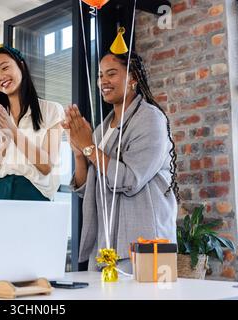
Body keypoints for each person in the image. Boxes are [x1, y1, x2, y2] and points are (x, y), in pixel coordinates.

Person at [63, 51, 179, 272]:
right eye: (100, 75)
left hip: (144, 242)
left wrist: (89, 146)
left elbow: (129, 180)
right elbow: (86, 189)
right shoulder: (101, 130)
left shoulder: (150, 119)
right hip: (105, 244)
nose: (103, 81)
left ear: (133, 77)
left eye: (111, 73)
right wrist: (80, 152)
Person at [0, 36, 65, 201]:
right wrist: (2, 146)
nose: (0, 76)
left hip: (33, 196)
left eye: (5, 68)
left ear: (21, 66)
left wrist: (14, 133)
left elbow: (46, 166)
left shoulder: (51, 110)